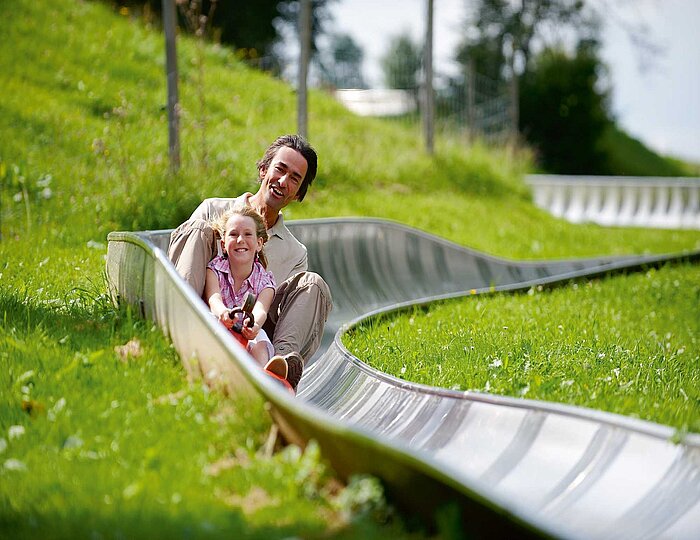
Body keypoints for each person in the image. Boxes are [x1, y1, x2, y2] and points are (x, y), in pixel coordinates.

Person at [168, 134, 332, 391]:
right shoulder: (212, 210)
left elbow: (272, 309)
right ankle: (179, 330)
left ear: (298, 193)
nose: (283, 181)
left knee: (314, 282)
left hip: (253, 335)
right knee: (198, 228)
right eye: (280, 170)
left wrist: (252, 324)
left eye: (294, 179)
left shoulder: (295, 252)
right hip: (207, 311)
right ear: (264, 168)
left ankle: (278, 370)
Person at [204, 205, 278, 370]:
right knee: (210, 322)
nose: (240, 240)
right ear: (223, 244)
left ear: (259, 243)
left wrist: (254, 324)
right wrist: (222, 312)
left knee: (260, 340)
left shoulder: (265, 281)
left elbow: (261, 309)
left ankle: (263, 374)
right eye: (233, 234)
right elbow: (213, 297)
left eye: (247, 234)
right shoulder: (214, 270)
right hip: (221, 322)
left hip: (246, 328)